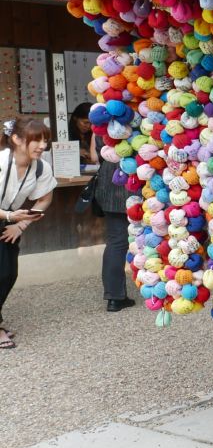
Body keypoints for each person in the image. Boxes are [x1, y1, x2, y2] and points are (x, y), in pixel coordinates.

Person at [0, 118, 57, 348]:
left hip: (10, 223)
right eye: (37, 140)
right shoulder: (2, 162)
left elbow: (45, 198)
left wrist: (20, 224)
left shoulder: (41, 167)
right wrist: (10, 217)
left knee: (7, 274)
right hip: (7, 218)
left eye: (45, 140)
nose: (42, 145)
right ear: (16, 139)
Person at [92, 133, 134, 312]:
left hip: (108, 185)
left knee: (115, 243)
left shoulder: (101, 120)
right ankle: (162, 289)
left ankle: (114, 297)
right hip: (134, 182)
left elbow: (95, 157)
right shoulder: (136, 115)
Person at [71, 102, 97, 168]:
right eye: (85, 122)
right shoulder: (66, 133)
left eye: (91, 123)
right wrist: (75, 152)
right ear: (75, 118)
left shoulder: (95, 133)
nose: (88, 126)